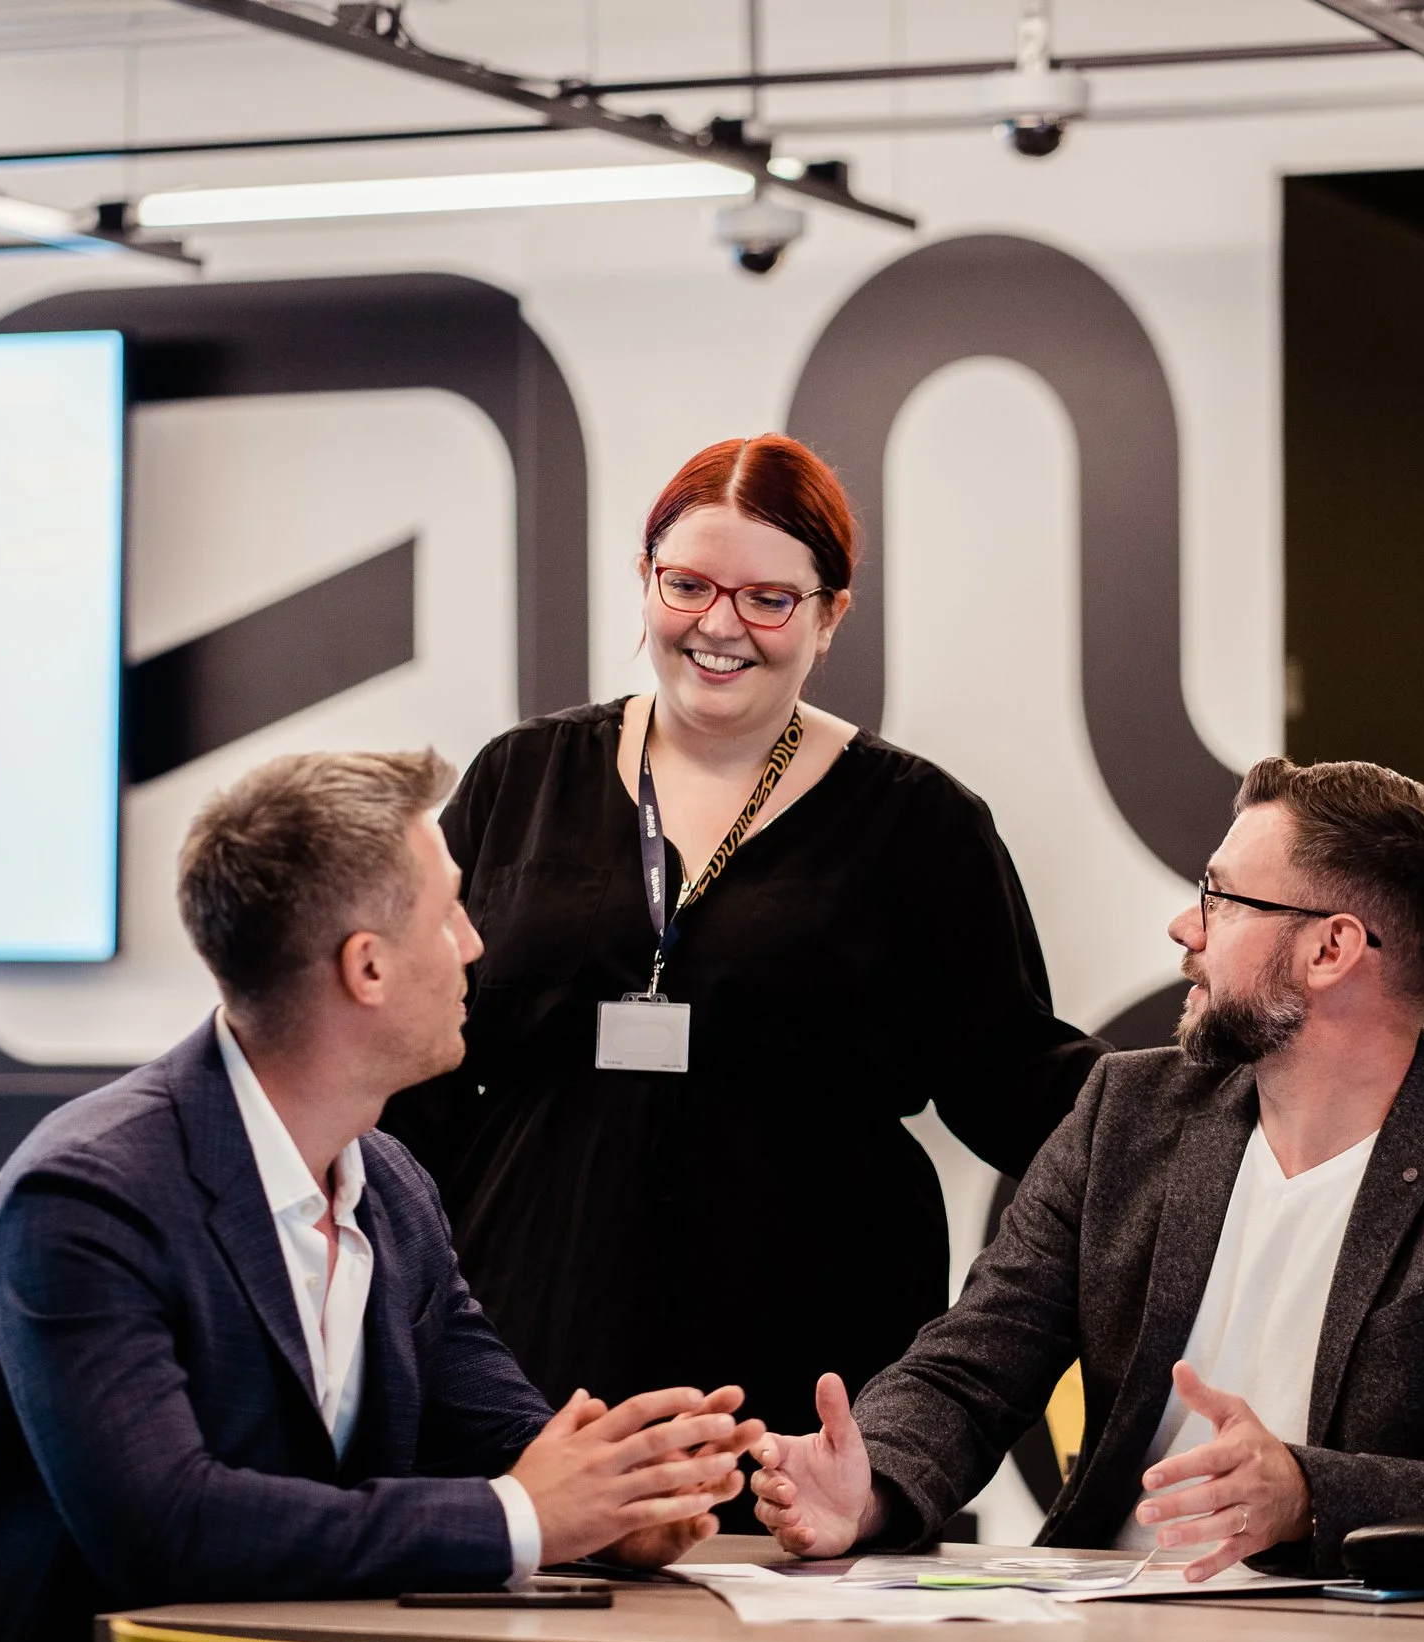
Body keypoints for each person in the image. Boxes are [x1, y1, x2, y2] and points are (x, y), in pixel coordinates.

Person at [379, 435, 1105, 1518]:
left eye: (769, 598)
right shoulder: (520, 777)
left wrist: (1225, 1116)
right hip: (528, 1341)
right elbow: (417, 1072)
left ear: (830, 614)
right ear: (647, 580)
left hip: (801, 1363)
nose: (720, 626)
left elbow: (1016, 1081)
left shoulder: (920, 826)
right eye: (689, 585)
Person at [0, 750, 762, 1642]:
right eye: (448, 914)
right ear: (367, 967)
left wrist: (617, 1503)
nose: (476, 943)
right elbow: (167, 1530)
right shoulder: (85, 1198)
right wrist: (522, 1515)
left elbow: (503, 1438)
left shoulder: (390, 1183)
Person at [749, 758, 1424, 1579]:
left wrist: (1307, 1496)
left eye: (1222, 899)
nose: (1185, 925)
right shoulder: (1124, 1113)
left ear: (1331, 950)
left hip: (1362, 1637)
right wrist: (871, 1486)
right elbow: (973, 1365)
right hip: (1105, 1623)